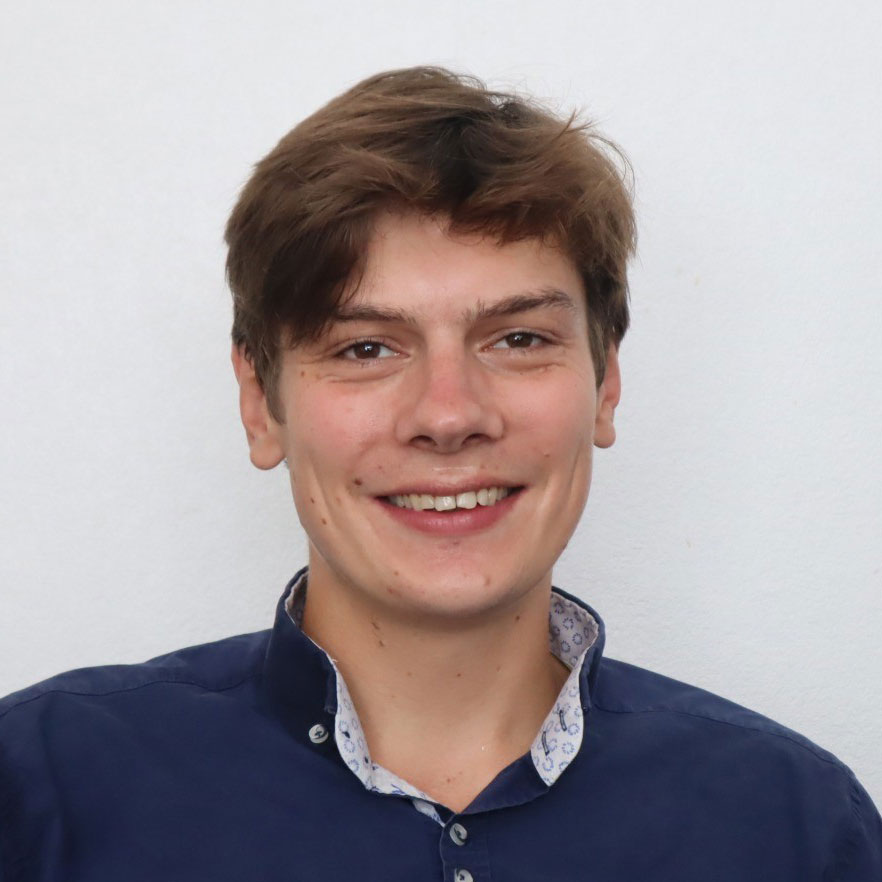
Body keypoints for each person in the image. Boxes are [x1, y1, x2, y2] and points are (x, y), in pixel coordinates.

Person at [0, 66, 879, 881]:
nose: (450, 415)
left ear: (605, 384)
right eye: (366, 348)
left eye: (518, 339)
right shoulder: (42, 795)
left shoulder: (796, 828)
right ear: (260, 402)